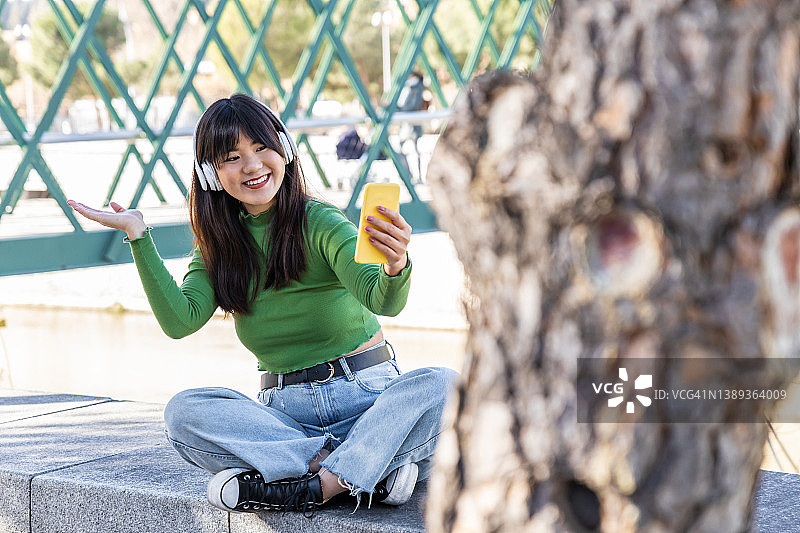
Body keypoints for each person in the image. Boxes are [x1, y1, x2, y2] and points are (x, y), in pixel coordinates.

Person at [67, 93, 457, 516]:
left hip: (370, 401)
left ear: (284, 149)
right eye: (232, 157)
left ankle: (318, 484)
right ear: (210, 173)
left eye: (260, 147)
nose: (252, 166)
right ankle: (365, 470)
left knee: (446, 384)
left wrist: (395, 264)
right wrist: (138, 235)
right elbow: (180, 321)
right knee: (184, 413)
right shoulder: (217, 249)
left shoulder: (321, 221)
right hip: (286, 421)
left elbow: (383, 299)